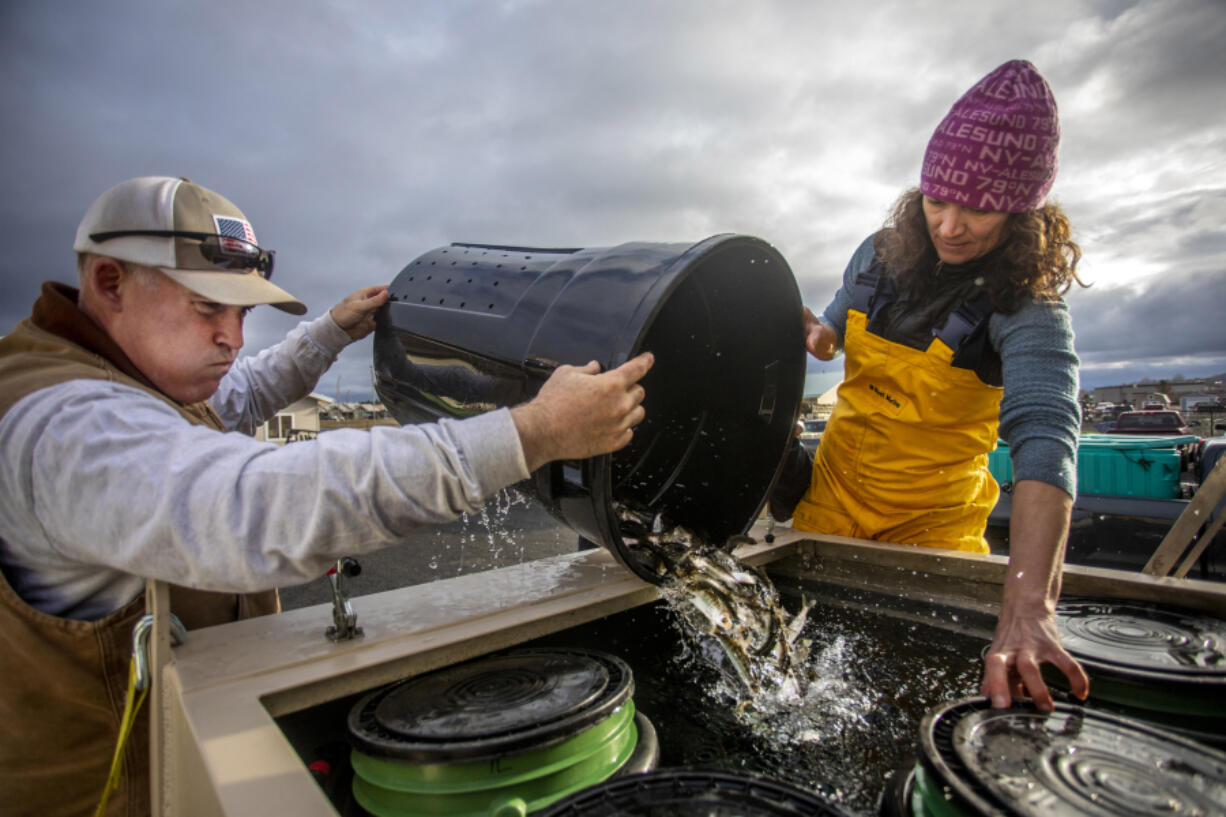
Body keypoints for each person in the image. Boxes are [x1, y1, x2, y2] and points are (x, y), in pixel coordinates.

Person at [0, 176, 653, 816]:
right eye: (208, 307)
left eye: (242, 312)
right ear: (110, 283)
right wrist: (532, 433)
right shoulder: (64, 427)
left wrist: (331, 331)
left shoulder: (138, 380)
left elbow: (243, 393)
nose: (232, 335)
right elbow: (260, 509)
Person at [791, 61, 1091, 712]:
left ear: (1020, 211)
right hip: (828, 509)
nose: (950, 225)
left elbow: (1047, 436)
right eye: (937, 200)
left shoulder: (1029, 307)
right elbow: (833, 333)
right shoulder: (877, 253)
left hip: (934, 538)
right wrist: (808, 330)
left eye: (978, 208)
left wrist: (1029, 608)